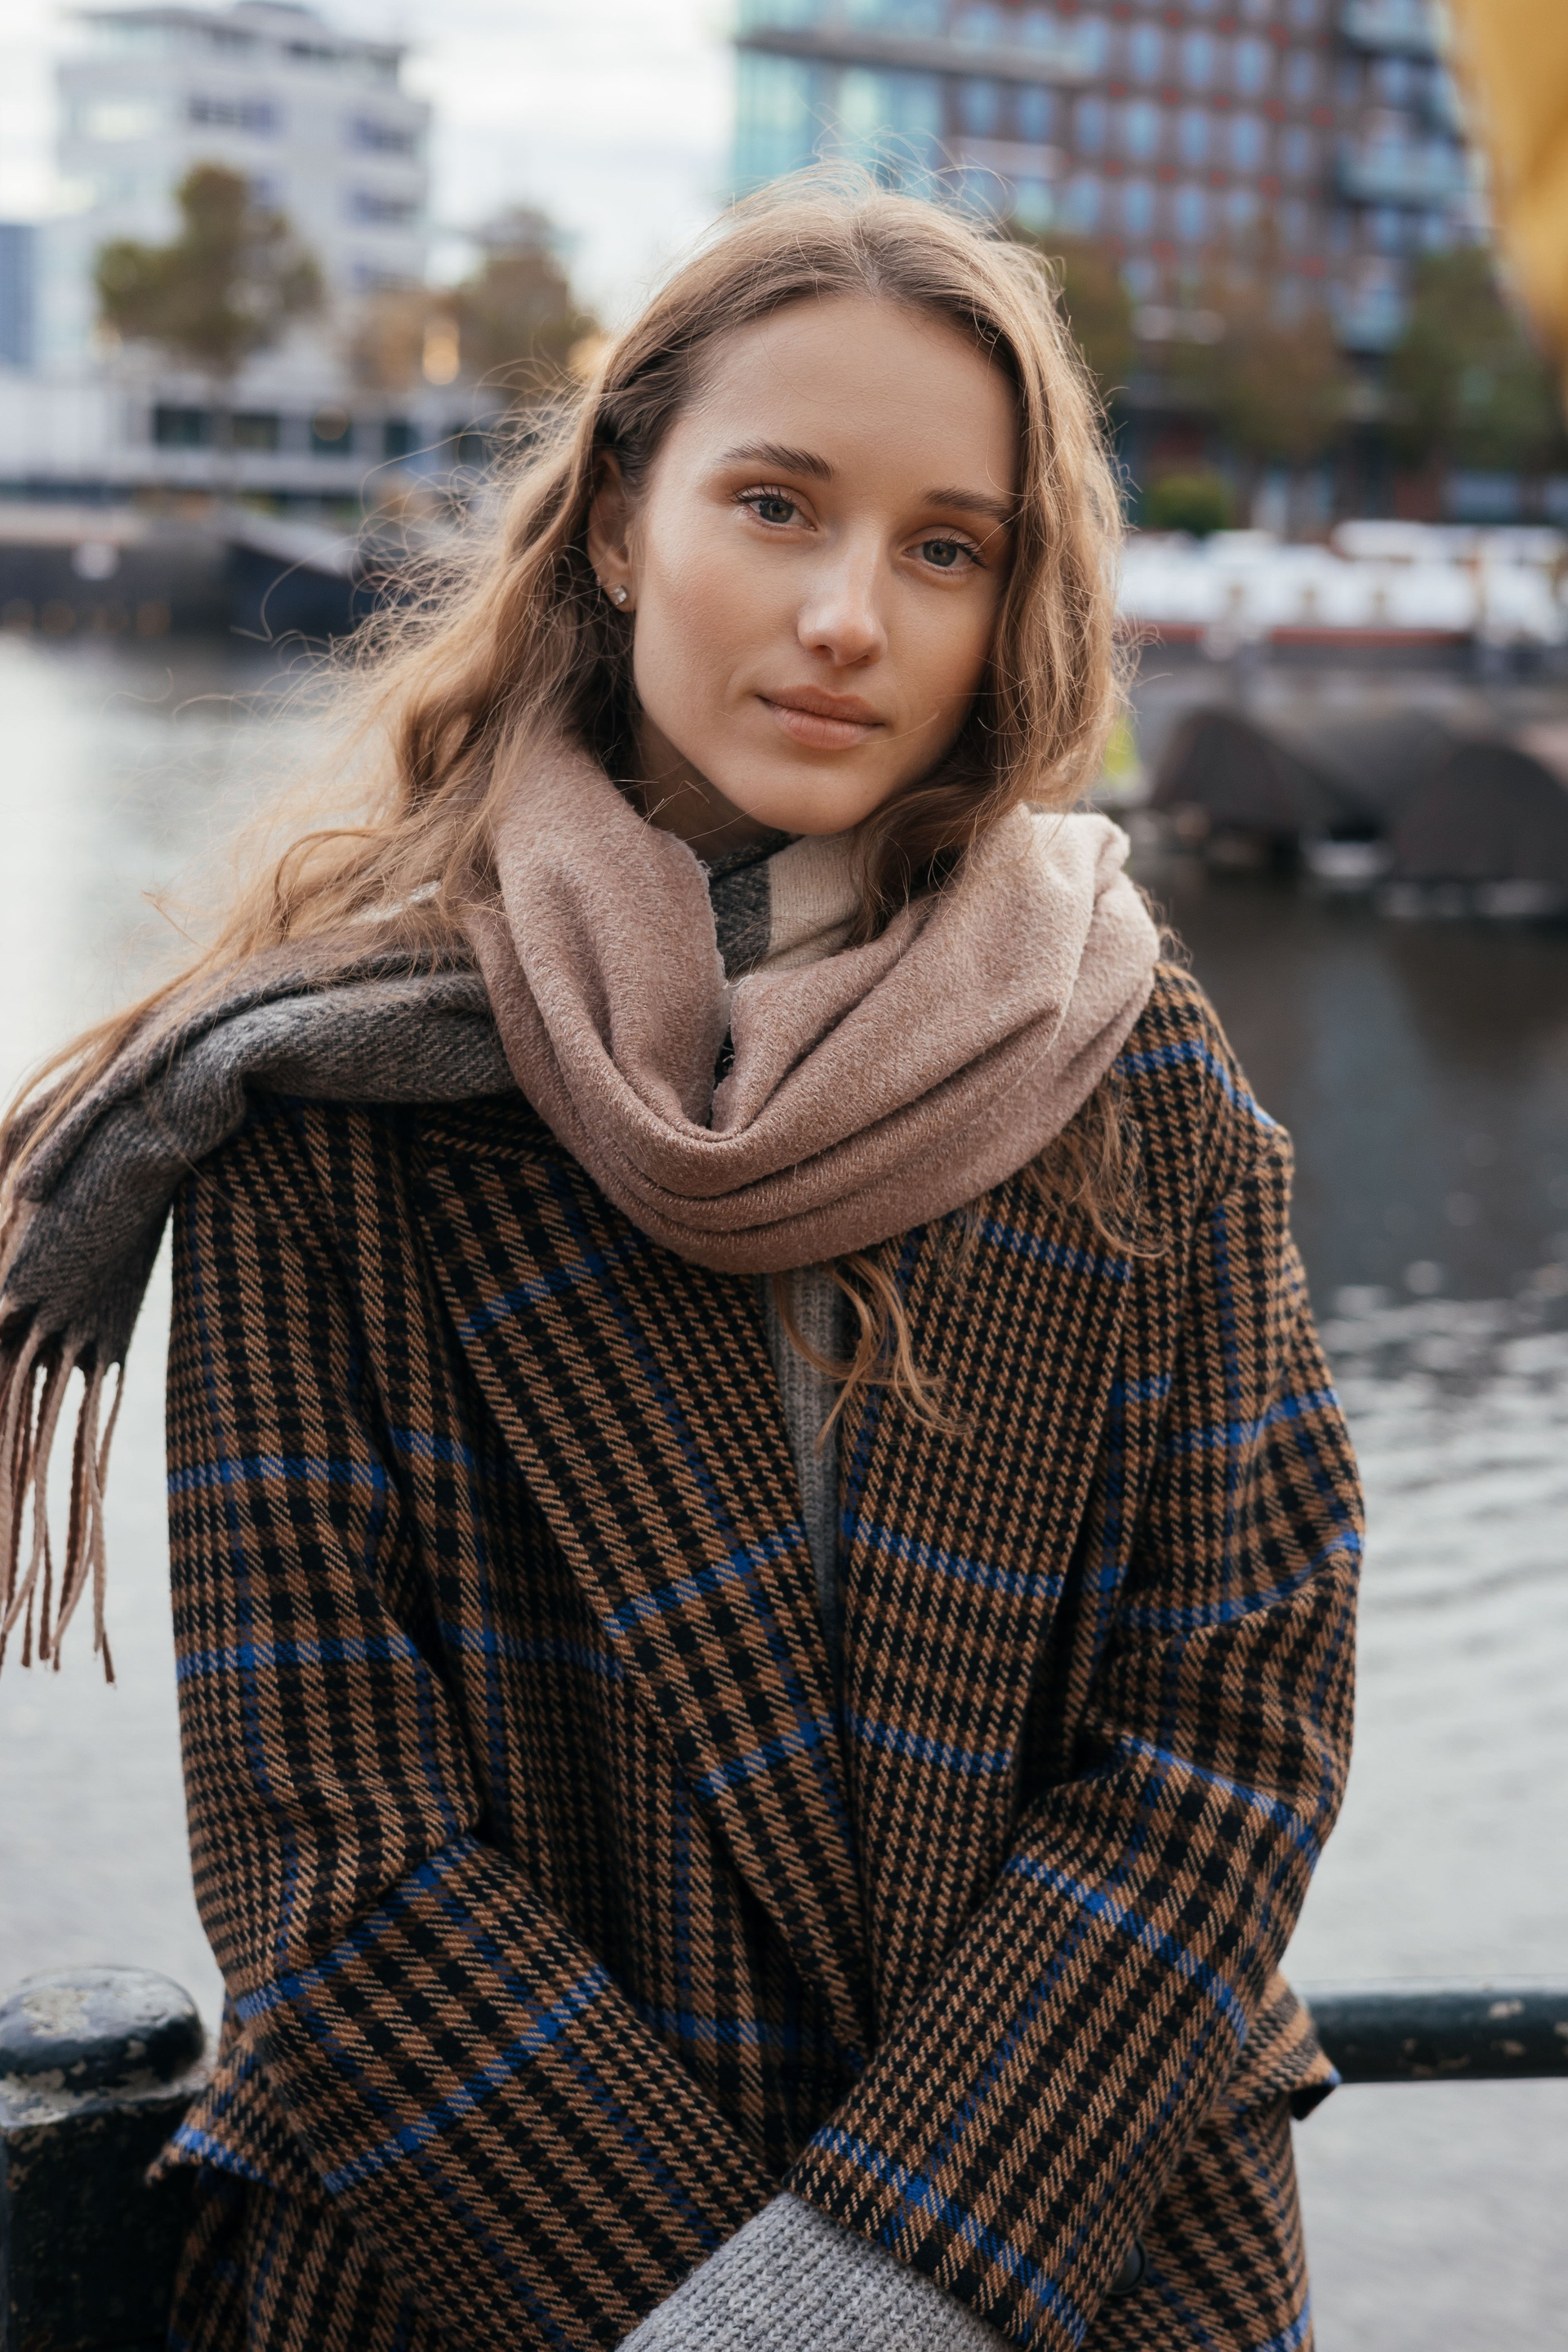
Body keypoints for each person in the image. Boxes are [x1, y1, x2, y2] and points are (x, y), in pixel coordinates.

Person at [0, 178, 1361, 2352]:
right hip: (495, 2270)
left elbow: (1236, 1723)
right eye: (775, 504)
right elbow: (328, 1851)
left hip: (1073, 2250)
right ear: (624, 523)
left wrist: (892, 2275)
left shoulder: (1130, 1062)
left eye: (946, 548)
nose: (847, 617)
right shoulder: (329, 1099)